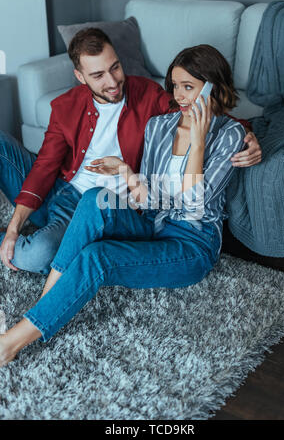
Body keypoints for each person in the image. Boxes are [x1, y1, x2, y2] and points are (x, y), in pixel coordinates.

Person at [1, 44, 247, 366]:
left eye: (189, 87)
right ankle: (47, 303)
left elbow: (194, 204)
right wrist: (128, 175)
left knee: (96, 258)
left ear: (213, 87)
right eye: (175, 86)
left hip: (192, 242)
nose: (180, 96)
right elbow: (145, 198)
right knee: (93, 200)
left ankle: (11, 343)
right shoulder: (160, 126)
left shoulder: (230, 135)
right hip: (150, 222)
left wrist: (199, 142)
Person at [0, 28, 261, 275]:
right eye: (98, 75)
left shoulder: (146, 94)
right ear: (80, 77)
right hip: (62, 188)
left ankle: (51, 236)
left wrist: (246, 132)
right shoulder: (65, 106)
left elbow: (196, 112)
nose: (113, 81)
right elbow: (45, 165)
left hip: (91, 205)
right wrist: (14, 227)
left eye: (115, 67)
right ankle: (40, 228)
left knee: (36, 255)